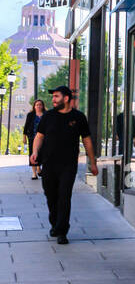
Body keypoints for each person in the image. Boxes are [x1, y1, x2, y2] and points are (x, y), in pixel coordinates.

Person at [29, 86, 97, 244]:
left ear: (66, 99)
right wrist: (34, 152)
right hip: (49, 163)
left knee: (64, 196)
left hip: (68, 165)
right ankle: (55, 223)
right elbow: (39, 136)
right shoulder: (48, 116)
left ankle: (62, 231)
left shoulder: (78, 117)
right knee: (51, 195)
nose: (53, 99)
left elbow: (87, 140)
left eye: (56, 96)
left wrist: (93, 162)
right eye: (52, 97)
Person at [23, 99, 46, 180]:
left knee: (42, 154)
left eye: (40, 104)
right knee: (32, 154)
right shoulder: (30, 115)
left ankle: (39, 168)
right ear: (34, 106)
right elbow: (26, 126)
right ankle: (34, 173)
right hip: (32, 137)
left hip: (44, 138)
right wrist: (24, 137)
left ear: (43, 106)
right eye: (37, 105)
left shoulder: (46, 114)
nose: (39, 106)